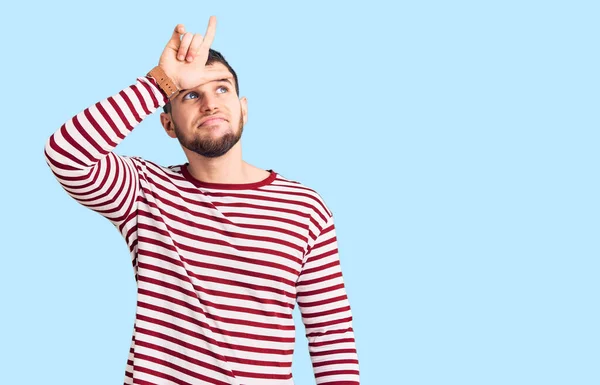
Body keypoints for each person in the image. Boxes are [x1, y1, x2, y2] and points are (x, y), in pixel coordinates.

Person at [45, 16, 360, 385]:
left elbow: (331, 335)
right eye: (190, 94)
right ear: (167, 124)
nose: (210, 104)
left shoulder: (305, 208)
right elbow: (67, 154)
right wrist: (161, 83)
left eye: (222, 89)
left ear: (244, 108)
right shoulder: (142, 191)